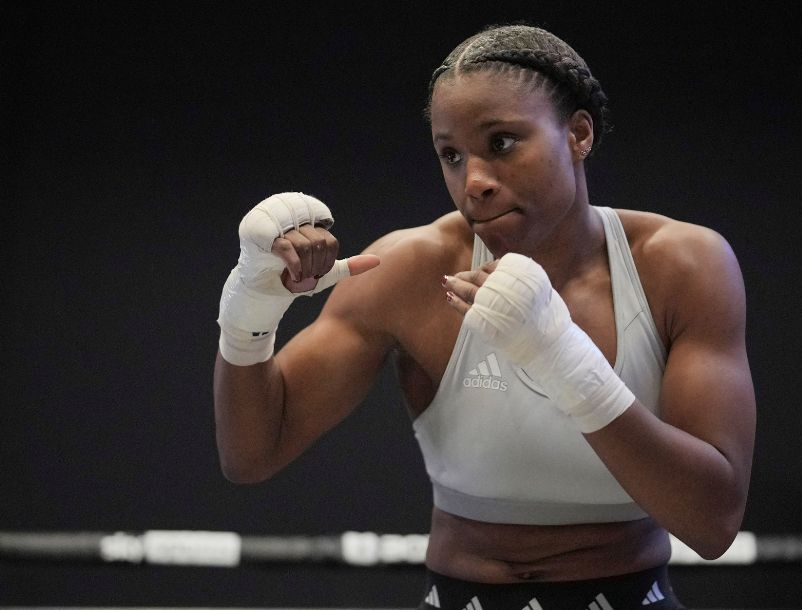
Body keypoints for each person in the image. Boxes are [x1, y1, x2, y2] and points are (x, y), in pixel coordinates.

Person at [213, 23, 756, 610]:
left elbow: (713, 522)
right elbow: (251, 454)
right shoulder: (409, 269)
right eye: (451, 155)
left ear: (578, 134)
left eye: (501, 143)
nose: (473, 183)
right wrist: (250, 314)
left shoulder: (681, 265)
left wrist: (562, 358)